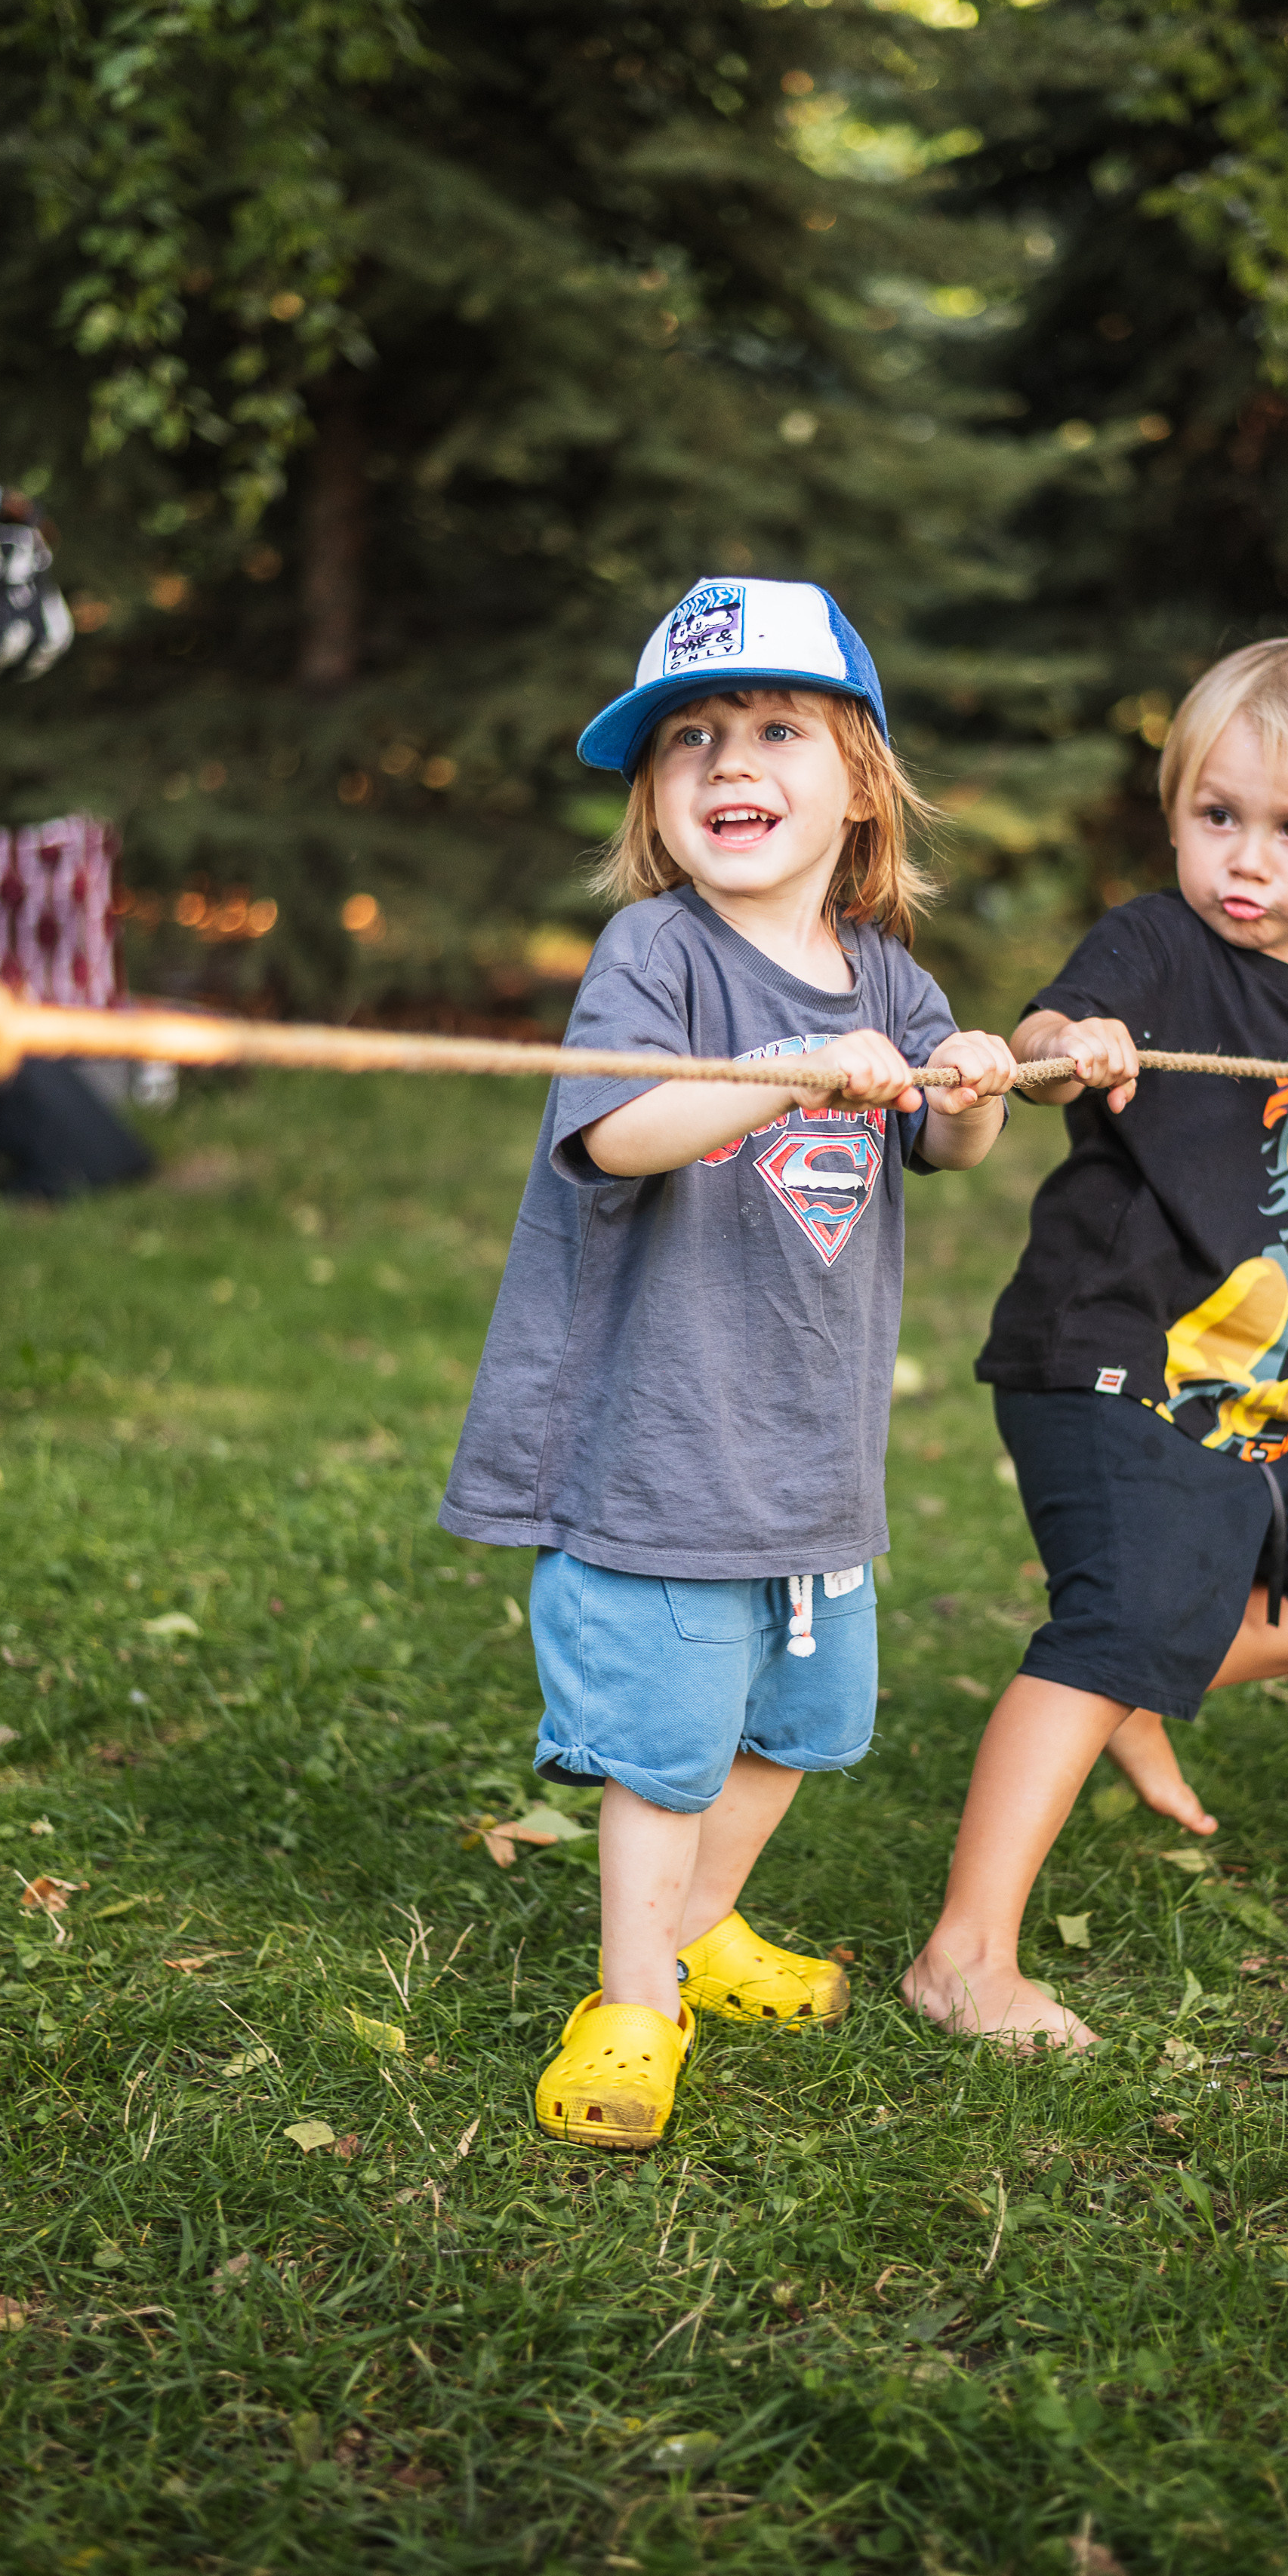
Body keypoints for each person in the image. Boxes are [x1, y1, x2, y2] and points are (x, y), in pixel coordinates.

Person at [904, 638, 1288, 2054]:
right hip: (1113, 1365)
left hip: (1262, 1406)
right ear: (1178, 811)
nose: (1245, 861)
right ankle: (964, 1955)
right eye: (1217, 817)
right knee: (1113, 1620)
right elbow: (1050, 1021)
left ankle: (1140, 1675)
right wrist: (1079, 1043)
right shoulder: (1154, 942)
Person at [440, 576, 1015, 2147]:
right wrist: (771, 1077)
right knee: (668, 1745)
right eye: (688, 738)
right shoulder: (655, 953)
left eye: (773, 729)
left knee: (801, 1724)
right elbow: (617, 1132)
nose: (726, 762)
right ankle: (634, 1992)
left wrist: (966, 1084)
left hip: (813, 1454)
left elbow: (951, 1148)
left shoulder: (887, 974)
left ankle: (700, 1921)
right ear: (652, 795)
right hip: (662, 1444)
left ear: (859, 786)